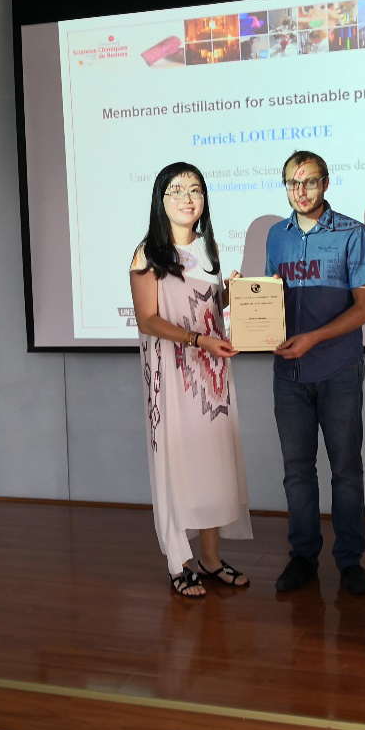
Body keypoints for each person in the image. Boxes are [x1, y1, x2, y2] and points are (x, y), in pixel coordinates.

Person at [130, 163, 253, 598]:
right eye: (177, 190)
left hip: (211, 375)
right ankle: (179, 563)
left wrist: (234, 293)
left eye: (195, 190)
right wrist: (198, 340)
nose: (187, 198)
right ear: (160, 199)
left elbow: (207, 303)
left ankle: (211, 559)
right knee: (177, 464)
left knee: (213, 463)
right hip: (173, 374)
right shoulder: (147, 253)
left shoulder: (209, 247)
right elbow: (148, 320)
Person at [263, 151, 365, 595]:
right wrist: (245, 302)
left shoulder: (353, 234)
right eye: (292, 183)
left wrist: (313, 338)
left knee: (346, 470)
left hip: (338, 371)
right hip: (288, 375)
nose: (301, 191)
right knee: (297, 471)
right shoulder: (276, 236)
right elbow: (269, 301)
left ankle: (350, 562)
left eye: (310, 181)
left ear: (326, 184)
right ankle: (303, 557)